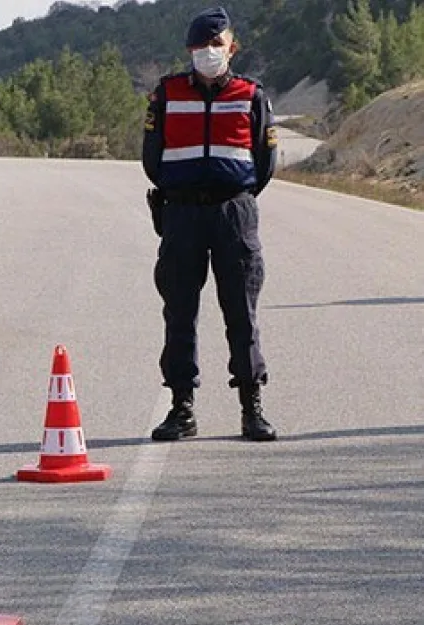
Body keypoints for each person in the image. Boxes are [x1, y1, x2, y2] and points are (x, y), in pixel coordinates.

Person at [141, 7, 279, 442]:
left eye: (216, 45)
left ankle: (251, 408)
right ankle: (181, 409)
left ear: (232, 48)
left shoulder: (251, 95)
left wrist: (233, 196)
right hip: (181, 213)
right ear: (189, 50)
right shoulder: (166, 94)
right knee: (179, 311)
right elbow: (152, 155)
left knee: (242, 312)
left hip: (232, 213)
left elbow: (265, 161)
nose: (208, 53)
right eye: (201, 46)